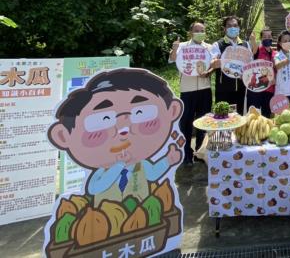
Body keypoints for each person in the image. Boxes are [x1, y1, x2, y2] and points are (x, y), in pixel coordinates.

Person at [48, 68, 183, 206]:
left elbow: (153, 174)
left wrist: (167, 160)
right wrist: (118, 166)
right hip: (104, 219)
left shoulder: (140, 164)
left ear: (172, 111)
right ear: (63, 136)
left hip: (142, 212)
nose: (123, 128)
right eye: (103, 119)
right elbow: (94, 188)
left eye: (140, 113)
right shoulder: (103, 170)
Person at [168, 21, 213, 166]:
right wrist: (174, 48)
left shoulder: (209, 48)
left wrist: (209, 72)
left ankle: (200, 153)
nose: (200, 32)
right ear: (190, 32)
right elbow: (172, 59)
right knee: (186, 123)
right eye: (197, 30)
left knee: (204, 122)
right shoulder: (182, 47)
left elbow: (212, 66)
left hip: (205, 89)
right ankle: (186, 154)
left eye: (203, 30)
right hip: (187, 90)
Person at [210, 16, 252, 114]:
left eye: (235, 25)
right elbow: (212, 64)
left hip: (241, 89)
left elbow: (250, 65)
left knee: (239, 118)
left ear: (239, 28)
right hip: (223, 90)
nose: (232, 28)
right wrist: (220, 62)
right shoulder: (218, 44)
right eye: (229, 26)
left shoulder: (246, 45)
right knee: (223, 119)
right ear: (224, 29)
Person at [246, 27, 276, 117]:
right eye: (265, 36)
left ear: (272, 38)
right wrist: (253, 40)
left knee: (267, 117)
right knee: (253, 117)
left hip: (269, 90)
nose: (267, 38)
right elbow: (253, 50)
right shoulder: (257, 50)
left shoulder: (275, 53)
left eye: (269, 36)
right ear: (261, 38)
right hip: (255, 90)